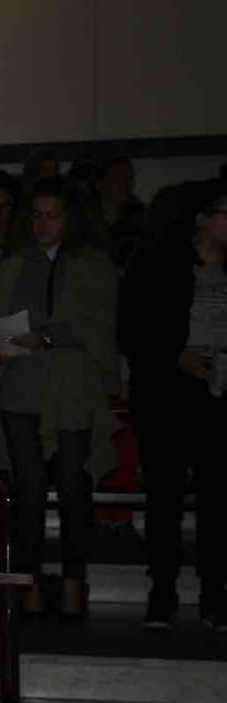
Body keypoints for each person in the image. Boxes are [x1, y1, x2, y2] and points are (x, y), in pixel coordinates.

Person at [0, 180, 118, 619]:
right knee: (28, 492)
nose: (42, 224)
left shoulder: (93, 263)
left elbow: (102, 323)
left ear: (70, 217)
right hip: (21, 383)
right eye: (36, 215)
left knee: (75, 489)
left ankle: (75, 582)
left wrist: (51, 335)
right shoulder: (15, 263)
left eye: (52, 214)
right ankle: (30, 585)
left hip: (72, 387)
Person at [119, 182, 227, 629]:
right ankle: (161, 590)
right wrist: (173, 354)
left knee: (218, 499)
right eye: (225, 212)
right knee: (164, 497)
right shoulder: (157, 263)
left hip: (221, 397)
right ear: (201, 218)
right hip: (167, 396)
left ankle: (214, 593)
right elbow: (131, 330)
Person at [87, 156, 148, 270]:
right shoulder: (83, 217)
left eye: (128, 178)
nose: (125, 184)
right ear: (100, 183)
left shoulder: (141, 216)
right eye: (117, 179)